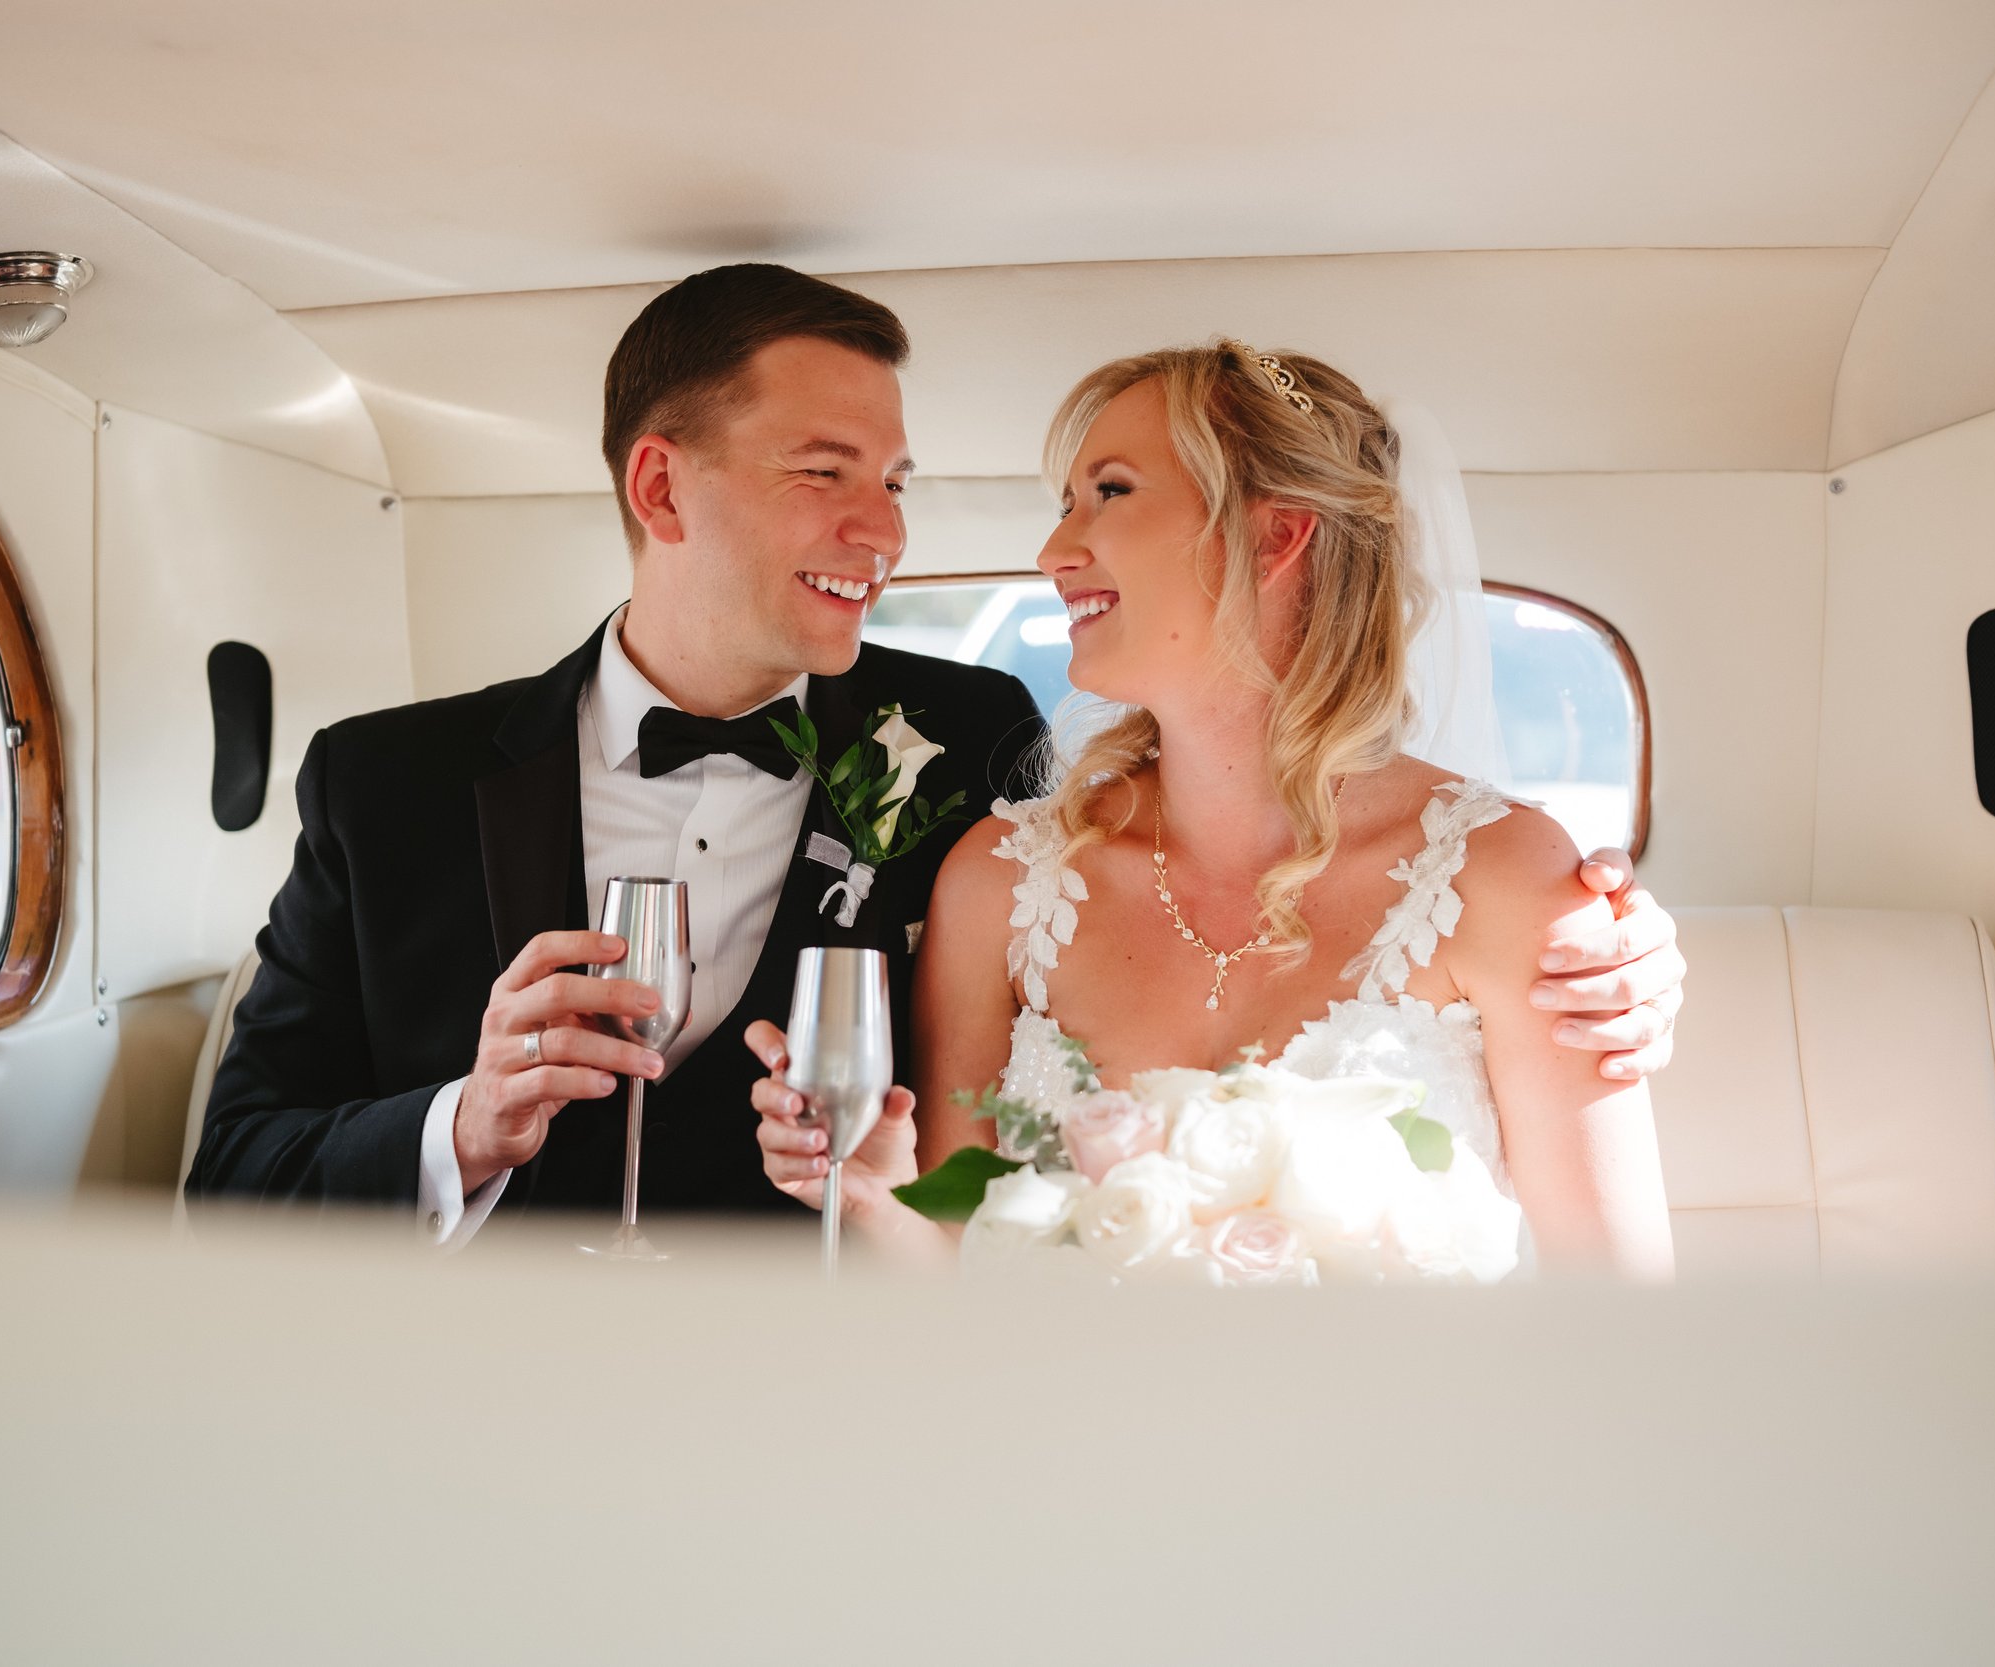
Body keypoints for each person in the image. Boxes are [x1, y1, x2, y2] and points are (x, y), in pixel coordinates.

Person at [188, 265, 1681, 1246]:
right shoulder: (379, 785)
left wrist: (1606, 941)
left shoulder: (972, 750)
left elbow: (954, 1178)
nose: (888, 533)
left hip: (825, 1425)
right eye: (826, 473)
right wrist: (464, 1119)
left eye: (893, 482)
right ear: (662, 483)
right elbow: (229, 1179)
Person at [752, 341, 1676, 1274]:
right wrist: (873, 1200)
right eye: (1065, 504)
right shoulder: (1000, 882)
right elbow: (956, 1273)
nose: (1054, 551)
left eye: (1109, 492)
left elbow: (1625, 1310)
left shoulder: (1511, 878)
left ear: (1275, 537)